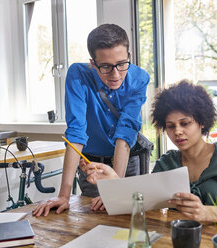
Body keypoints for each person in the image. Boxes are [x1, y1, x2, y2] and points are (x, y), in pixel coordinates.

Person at [79, 80, 217, 222]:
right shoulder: (167, 163)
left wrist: (207, 212)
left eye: (185, 123)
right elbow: (141, 203)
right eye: (170, 126)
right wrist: (113, 180)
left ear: (202, 122)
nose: (177, 131)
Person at [32, 24, 150, 216]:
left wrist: (115, 187)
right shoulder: (78, 75)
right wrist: (64, 195)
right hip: (91, 165)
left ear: (129, 57)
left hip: (127, 163)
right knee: (93, 223)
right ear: (93, 63)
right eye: (105, 67)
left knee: (128, 220)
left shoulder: (139, 78)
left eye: (122, 64)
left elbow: (125, 132)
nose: (116, 75)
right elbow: (76, 132)